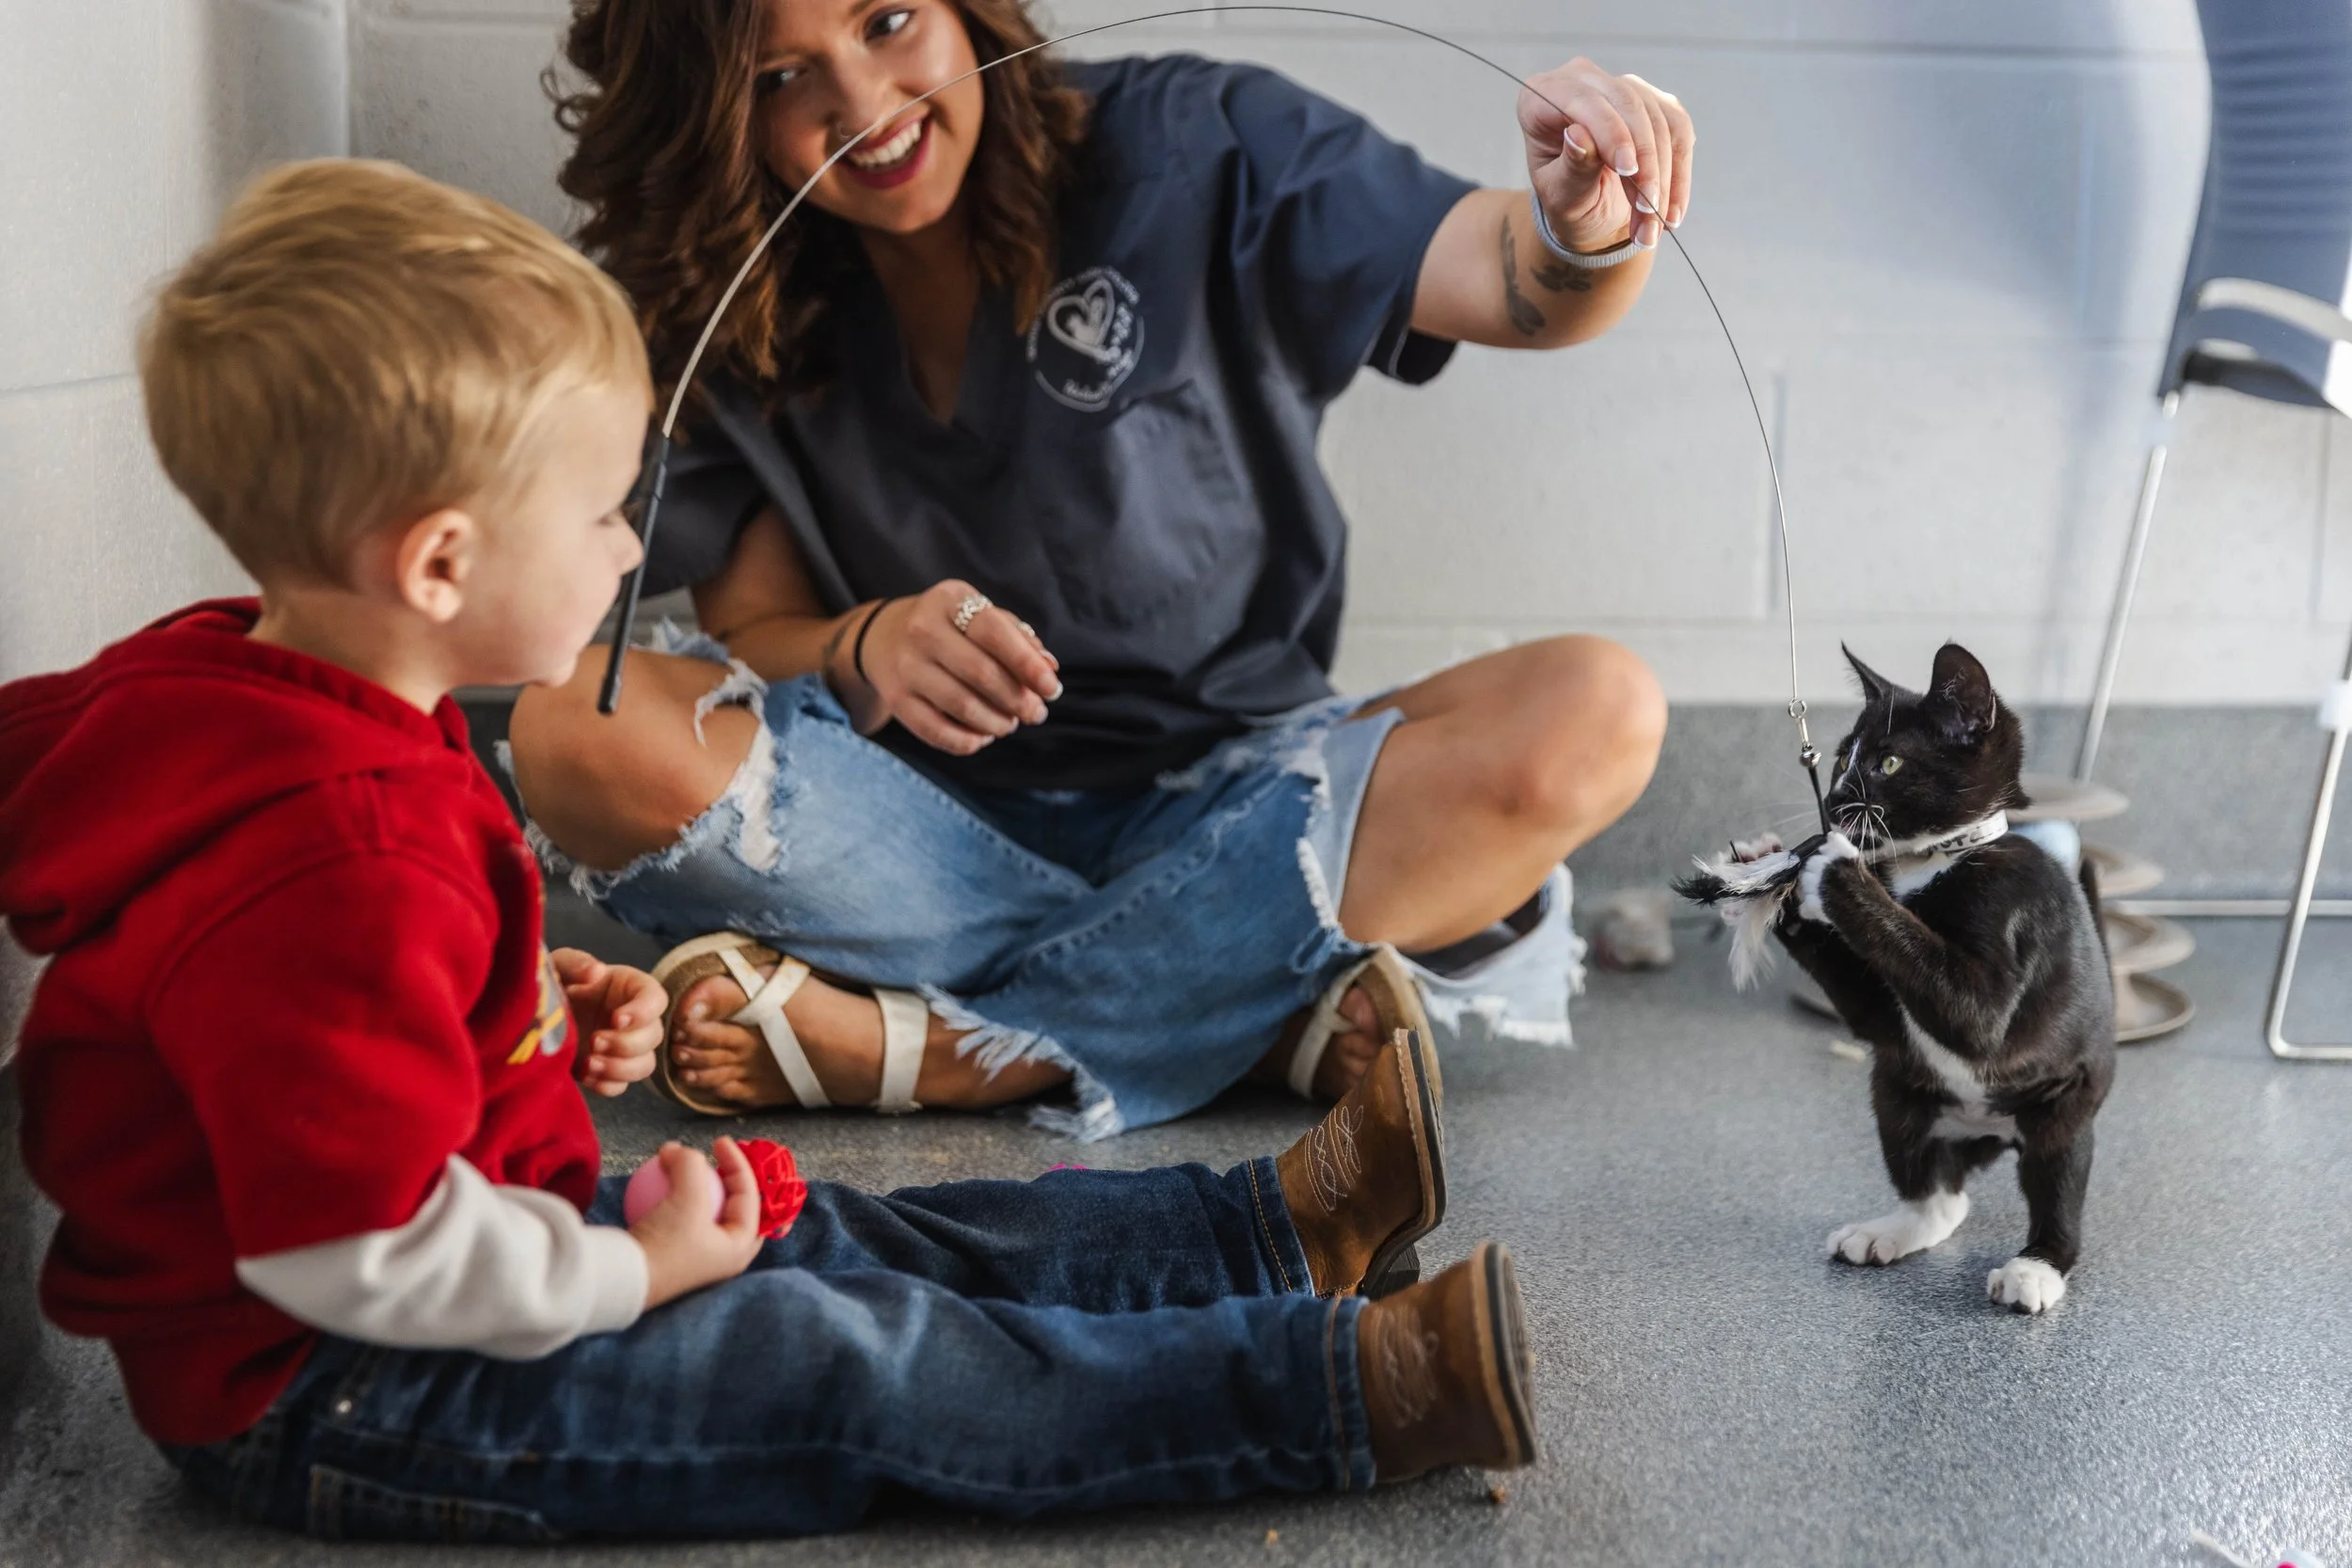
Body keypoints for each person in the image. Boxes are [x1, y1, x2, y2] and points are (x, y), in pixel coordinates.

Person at [0, 159, 1535, 1543]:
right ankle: (1334, 1388)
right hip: (350, 1384)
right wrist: (631, 1280)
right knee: (846, 1355)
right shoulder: (331, 857)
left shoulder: (263, 694)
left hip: (464, 1239)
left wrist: (524, 1006)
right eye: (604, 515)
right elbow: (355, 1248)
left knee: (819, 1218)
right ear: (440, 561)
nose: (627, 552)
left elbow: (329, 1024)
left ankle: (1260, 1232)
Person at [503, 0, 1677, 1138]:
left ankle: (961, 1055)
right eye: (776, 79)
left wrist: (1578, 217)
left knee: (1596, 710)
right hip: (907, 836)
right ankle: (1233, 1006)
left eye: (887, 21)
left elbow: (1509, 281)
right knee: (570, 730)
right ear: (713, 117)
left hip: (1240, 801)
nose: (862, 104)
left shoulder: (1194, 142)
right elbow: (755, 628)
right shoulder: (730, 278)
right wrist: (865, 644)